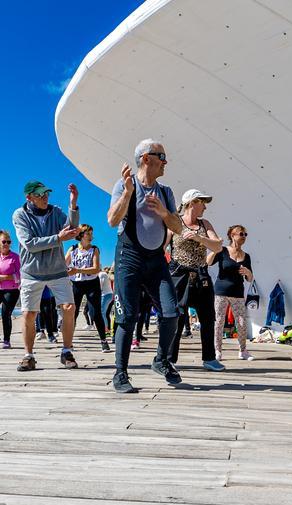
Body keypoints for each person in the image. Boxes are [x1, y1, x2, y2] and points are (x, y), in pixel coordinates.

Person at [106, 138, 185, 393]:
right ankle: (121, 373)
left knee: (172, 312)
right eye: (161, 156)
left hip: (155, 261)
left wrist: (164, 213)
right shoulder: (124, 185)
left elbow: (178, 228)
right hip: (129, 257)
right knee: (127, 316)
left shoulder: (166, 192)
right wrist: (128, 194)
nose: (166, 162)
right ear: (146, 159)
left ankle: (161, 360)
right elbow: (111, 220)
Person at [12, 180, 81, 371]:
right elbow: (30, 244)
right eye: (40, 195)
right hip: (32, 272)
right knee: (29, 313)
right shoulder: (20, 215)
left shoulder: (55, 211)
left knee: (68, 308)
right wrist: (58, 238)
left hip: (57, 269)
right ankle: (28, 356)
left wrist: (73, 204)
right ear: (29, 197)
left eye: (46, 194)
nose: (45, 198)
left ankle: (66, 351)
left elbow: (72, 230)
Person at [168, 189, 226, 371]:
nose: (205, 207)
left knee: (208, 318)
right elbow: (161, 246)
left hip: (201, 275)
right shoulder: (175, 223)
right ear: (192, 203)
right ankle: (169, 359)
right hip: (179, 275)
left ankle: (209, 358)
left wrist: (199, 237)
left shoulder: (204, 224)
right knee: (177, 318)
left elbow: (217, 246)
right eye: (202, 202)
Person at [210, 225, 255, 361]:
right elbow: (208, 262)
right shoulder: (222, 251)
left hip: (238, 293)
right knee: (219, 321)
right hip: (221, 291)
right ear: (232, 235)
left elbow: (250, 278)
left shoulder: (246, 256)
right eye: (241, 234)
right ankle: (217, 350)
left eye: (245, 234)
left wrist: (248, 273)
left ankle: (243, 350)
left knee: (241, 322)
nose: (243, 237)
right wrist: (214, 250)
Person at [67, 225, 111, 352]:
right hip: (77, 284)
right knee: (73, 313)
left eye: (92, 234)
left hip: (92, 283)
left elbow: (96, 269)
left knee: (95, 312)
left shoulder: (94, 249)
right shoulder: (73, 249)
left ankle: (103, 340)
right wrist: (67, 271)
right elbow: (63, 264)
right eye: (88, 234)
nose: (91, 236)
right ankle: (69, 342)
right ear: (81, 235)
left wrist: (77, 270)